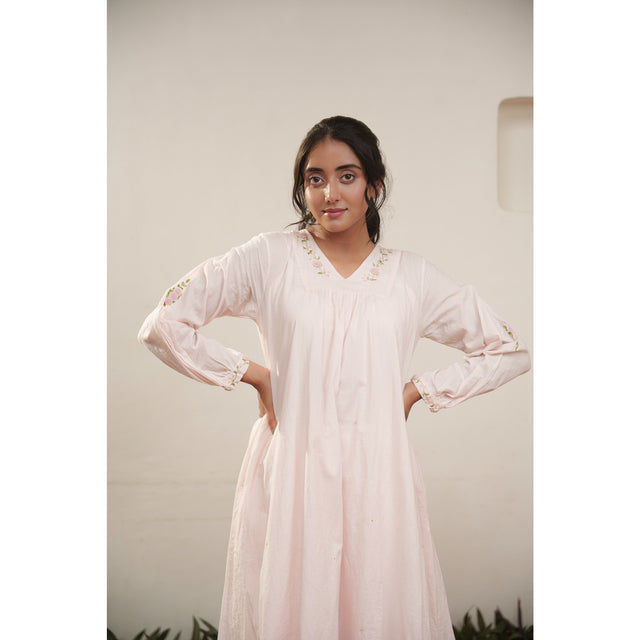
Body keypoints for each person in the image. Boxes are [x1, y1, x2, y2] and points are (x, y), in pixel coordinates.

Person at [138, 115, 531, 640]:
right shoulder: (269, 258)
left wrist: (418, 390)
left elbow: (508, 350)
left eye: (347, 176)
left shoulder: (411, 277)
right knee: (293, 605)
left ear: (375, 186)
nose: (330, 193)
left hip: (379, 469)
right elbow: (164, 323)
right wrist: (255, 376)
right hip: (295, 465)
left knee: (377, 605)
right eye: (315, 178)